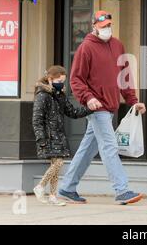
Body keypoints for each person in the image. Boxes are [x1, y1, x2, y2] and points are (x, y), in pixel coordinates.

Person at [58, 10, 146, 205]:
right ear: (94, 27)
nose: (107, 29)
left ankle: (67, 187)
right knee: (109, 146)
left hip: (110, 105)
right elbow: (76, 80)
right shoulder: (86, 48)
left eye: (109, 25)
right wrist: (88, 98)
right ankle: (122, 190)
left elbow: (125, 77)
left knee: (87, 149)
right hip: (97, 108)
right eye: (103, 26)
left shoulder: (117, 45)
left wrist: (133, 101)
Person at [32, 65, 93, 206]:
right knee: (59, 163)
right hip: (48, 136)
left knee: (56, 165)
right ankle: (40, 186)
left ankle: (53, 196)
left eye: (63, 81)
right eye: (59, 80)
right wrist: (41, 138)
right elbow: (37, 120)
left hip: (58, 135)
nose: (61, 84)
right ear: (50, 79)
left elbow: (72, 112)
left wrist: (89, 109)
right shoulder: (42, 95)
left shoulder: (59, 95)